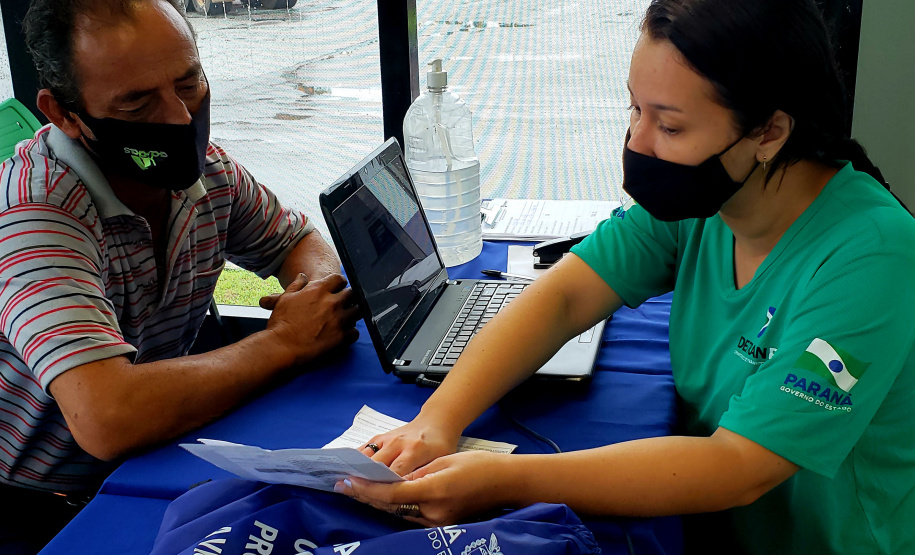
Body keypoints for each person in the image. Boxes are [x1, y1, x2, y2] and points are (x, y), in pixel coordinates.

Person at [335, 1, 915, 553]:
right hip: (711, 527)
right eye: (634, 110)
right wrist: (438, 420)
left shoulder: (872, 255)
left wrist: (500, 480)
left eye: (671, 126)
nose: (637, 143)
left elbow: (741, 466)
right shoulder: (707, 206)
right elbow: (563, 296)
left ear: (769, 132)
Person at [0, 0, 358, 550]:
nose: (179, 118)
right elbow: (107, 417)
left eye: (188, 83)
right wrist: (287, 342)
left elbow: (300, 243)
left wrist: (309, 298)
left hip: (159, 451)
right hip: (45, 503)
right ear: (66, 115)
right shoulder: (34, 214)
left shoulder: (204, 170)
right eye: (138, 103)